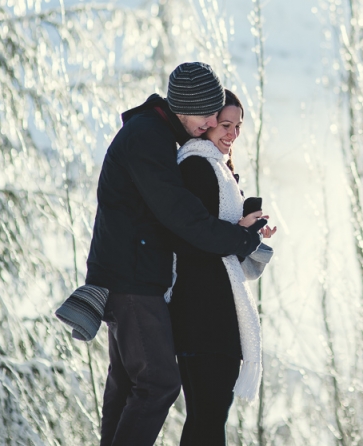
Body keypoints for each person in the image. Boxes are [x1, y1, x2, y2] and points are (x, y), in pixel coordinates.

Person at [84, 63, 264, 446]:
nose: (214, 123)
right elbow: (183, 216)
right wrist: (241, 238)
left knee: (128, 383)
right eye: (208, 115)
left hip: (127, 271)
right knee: (158, 382)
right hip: (133, 277)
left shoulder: (155, 135)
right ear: (183, 108)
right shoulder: (149, 138)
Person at [167, 90, 277, 446]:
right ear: (208, 123)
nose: (232, 133)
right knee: (209, 417)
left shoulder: (218, 169)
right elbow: (195, 239)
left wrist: (249, 228)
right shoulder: (198, 167)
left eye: (238, 126)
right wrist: (242, 234)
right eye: (225, 125)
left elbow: (219, 235)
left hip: (211, 312)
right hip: (203, 313)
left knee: (207, 418)